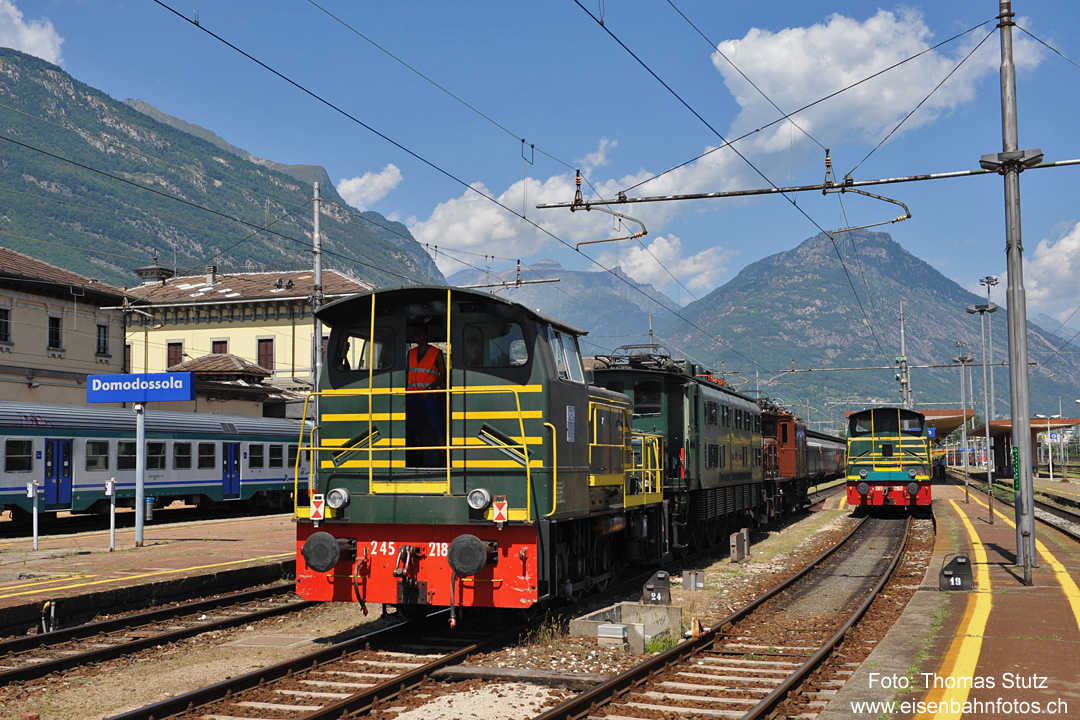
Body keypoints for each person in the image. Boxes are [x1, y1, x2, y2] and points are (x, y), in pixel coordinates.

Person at [406, 325, 446, 467]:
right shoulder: (411, 353)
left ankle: (443, 457)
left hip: (430, 395)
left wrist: (429, 389)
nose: (417, 336)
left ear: (426, 335)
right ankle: (418, 457)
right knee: (415, 426)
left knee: (436, 425)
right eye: (415, 333)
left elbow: (443, 375)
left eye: (420, 333)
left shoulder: (436, 353)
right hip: (413, 395)